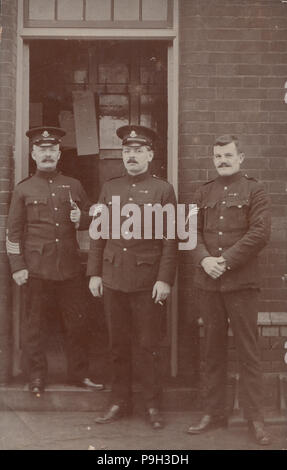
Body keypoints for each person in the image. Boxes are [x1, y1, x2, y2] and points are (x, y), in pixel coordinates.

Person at [87, 125, 177, 429]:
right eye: (127, 151)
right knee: (117, 344)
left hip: (146, 281)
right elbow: (98, 234)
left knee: (148, 344)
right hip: (113, 279)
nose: (132, 156)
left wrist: (164, 279)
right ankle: (118, 401)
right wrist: (94, 273)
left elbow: (170, 239)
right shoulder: (109, 188)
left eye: (138, 151)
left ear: (150, 154)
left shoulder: (163, 190)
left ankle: (152, 405)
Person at [187, 135, 271, 445]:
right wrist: (205, 260)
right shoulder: (203, 192)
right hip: (208, 283)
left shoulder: (255, 190)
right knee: (211, 350)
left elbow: (260, 232)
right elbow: (191, 233)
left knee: (249, 352)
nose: (222, 160)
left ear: (241, 157)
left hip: (241, 284)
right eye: (218, 156)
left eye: (228, 155)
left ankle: (256, 419)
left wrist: (225, 260)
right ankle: (213, 413)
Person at [6, 127, 104, 394]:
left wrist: (81, 219)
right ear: (34, 154)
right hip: (36, 270)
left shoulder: (73, 185)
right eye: (42, 149)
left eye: (52, 149)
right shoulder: (24, 189)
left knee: (77, 324)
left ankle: (79, 375)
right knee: (35, 327)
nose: (47, 154)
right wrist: (18, 266)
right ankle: (36, 377)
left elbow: (92, 219)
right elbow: (13, 232)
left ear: (59, 153)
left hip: (70, 269)